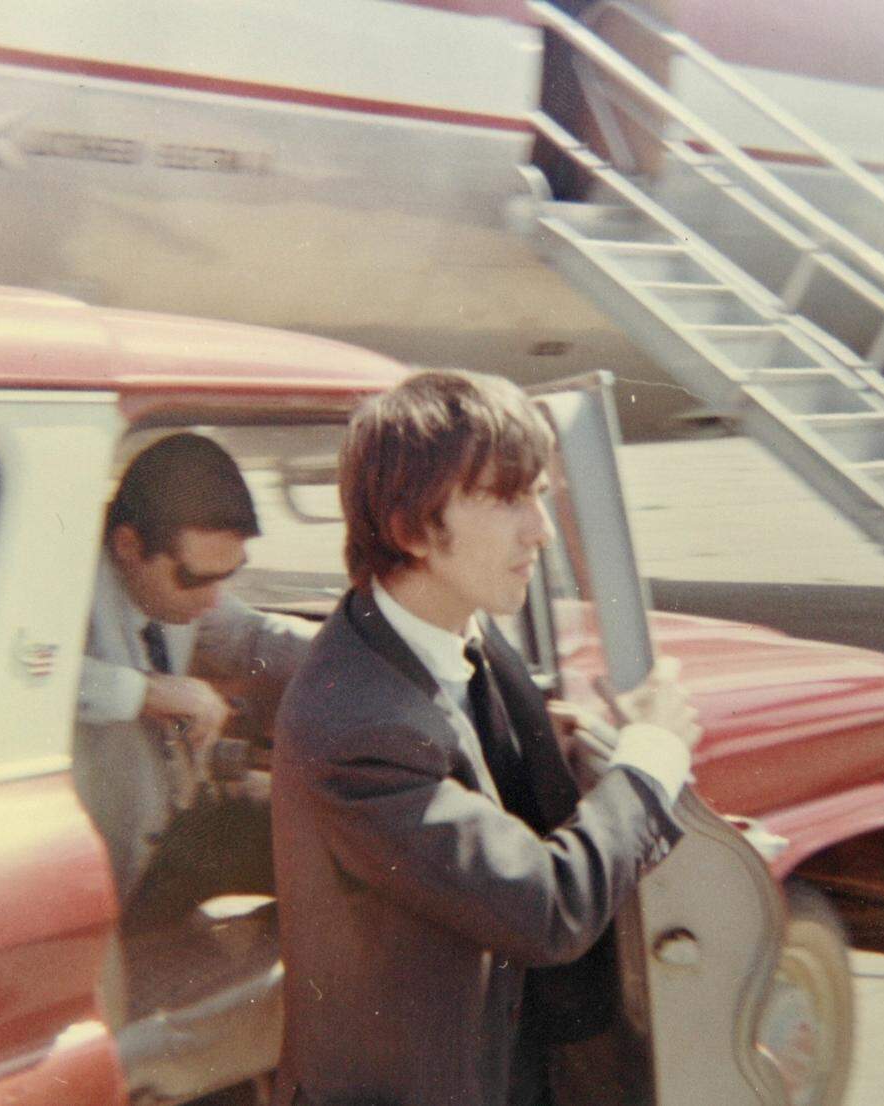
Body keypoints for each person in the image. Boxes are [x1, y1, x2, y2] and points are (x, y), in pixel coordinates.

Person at [271, 371, 698, 1106]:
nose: (540, 529)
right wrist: (651, 759)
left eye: (538, 493)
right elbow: (545, 905)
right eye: (505, 499)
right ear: (409, 530)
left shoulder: (450, 629)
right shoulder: (358, 728)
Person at [75, 432, 317, 927]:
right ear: (127, 546)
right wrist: (146, 692)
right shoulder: (62, 584)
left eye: (227, 575)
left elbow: (251, 636)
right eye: (195, 579)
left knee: (344, 841)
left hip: (174, 833)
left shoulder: (175, 587)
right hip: (103, 878)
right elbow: (29, 674)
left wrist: (359, 650)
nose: (213, 600)